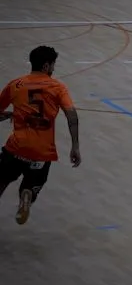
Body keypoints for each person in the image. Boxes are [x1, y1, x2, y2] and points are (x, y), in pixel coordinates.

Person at [0, 46, 81, 224]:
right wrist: (75, 146)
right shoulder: (58, 87)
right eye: (53, 65)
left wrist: (7, 115)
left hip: (16, 147)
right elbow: (72, 116)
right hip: (42, 152)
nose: (53, 68)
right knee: (32, 184)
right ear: (46, 66)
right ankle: (27, 193)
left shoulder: (15, 84)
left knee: (2, 178)